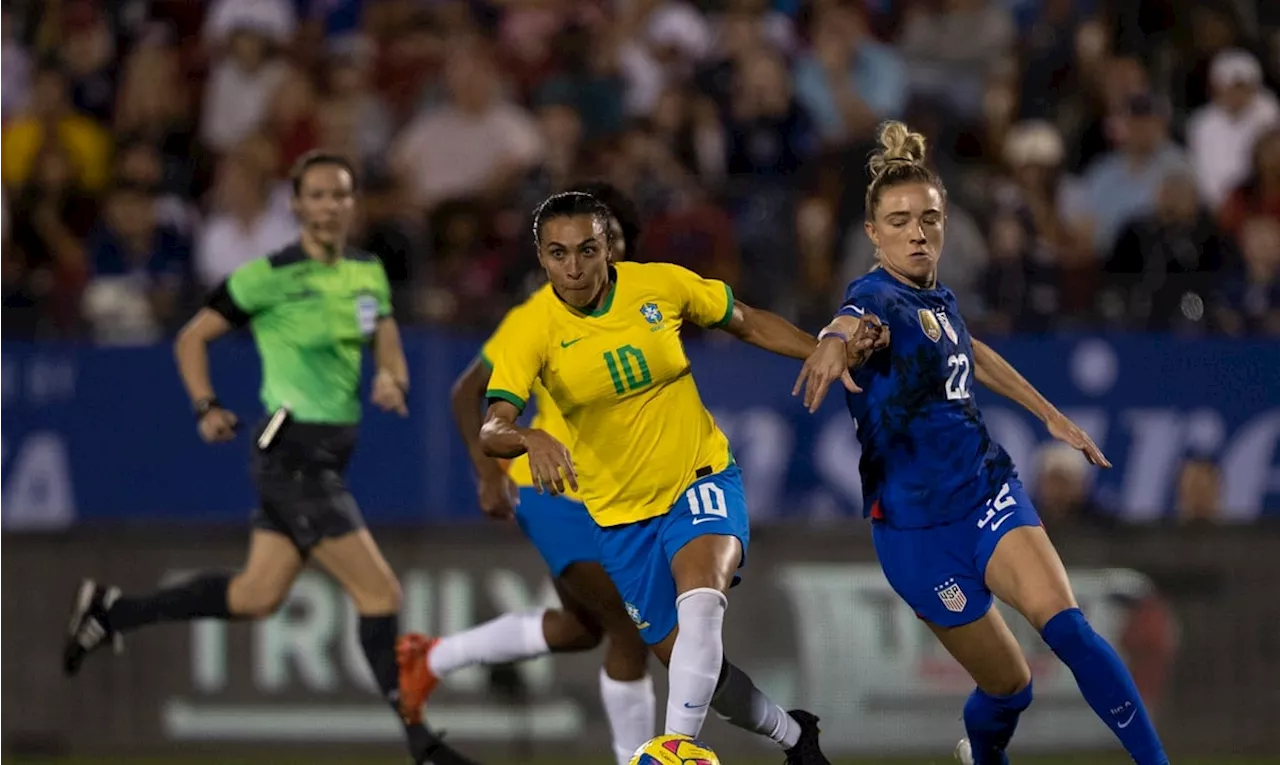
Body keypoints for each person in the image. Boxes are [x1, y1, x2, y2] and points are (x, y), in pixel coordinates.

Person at [62, 151, 478, 765]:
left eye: (341, 195)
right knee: (381, 593)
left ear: (352, 204)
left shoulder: (366, 271)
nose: (331, 206)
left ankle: (111, 611)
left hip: (327, 459)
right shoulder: (267, 276)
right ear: (297, 205)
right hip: (292, 456)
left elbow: (383, 328)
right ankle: (420, 744)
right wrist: (206, 405)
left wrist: (392, 375)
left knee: (257, 596)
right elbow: (190, 337)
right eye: (317, 195)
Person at [793, 121, 1169, 765]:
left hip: (988, 494)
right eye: (901, 220)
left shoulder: (935, 296)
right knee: (1010, 689)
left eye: (930, 218)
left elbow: (968, 349)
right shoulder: (875, 294)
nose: (918, 231)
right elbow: (854, 324)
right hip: (917, 536)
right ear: (873, 234)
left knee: (1070, 629)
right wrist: (834, 341)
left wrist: (1047, 412)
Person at [467, 190, 864, 764]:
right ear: (541, 257)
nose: (574, 268)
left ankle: (675, 750)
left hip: (698, 476)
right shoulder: (533, 331)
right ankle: (795, 737)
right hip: (619, 518)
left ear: (610, 248)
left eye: (587, 250)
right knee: (695, 671)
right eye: (558, 254)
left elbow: (747, 322)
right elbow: (491, 427)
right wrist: (529, 436)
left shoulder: (660, 285)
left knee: (702, 593)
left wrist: (829, 351)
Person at [398, 182, 656, 765]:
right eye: (582, 243)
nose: (591, 254)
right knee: (630, 630)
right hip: (553, 489)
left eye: (606, 241)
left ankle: (430, 658)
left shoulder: (647, 306)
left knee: (581, 628)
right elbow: (468, 391)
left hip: (617, 496)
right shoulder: (540, 312)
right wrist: (489, 474)